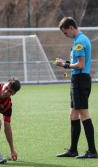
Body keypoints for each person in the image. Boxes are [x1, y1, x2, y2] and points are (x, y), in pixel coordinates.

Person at [55, 17, 97, 158]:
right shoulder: (80, 40)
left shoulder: (80, 41)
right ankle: (73, 150)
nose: (65, 35)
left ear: (71, 27)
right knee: (73, 114)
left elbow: (80, 65)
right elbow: (76, 62)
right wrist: (66, 62)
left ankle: (92, 151)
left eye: (65, 32)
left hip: (80, 80)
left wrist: (64, 65)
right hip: (77, 80)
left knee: (84, 114)